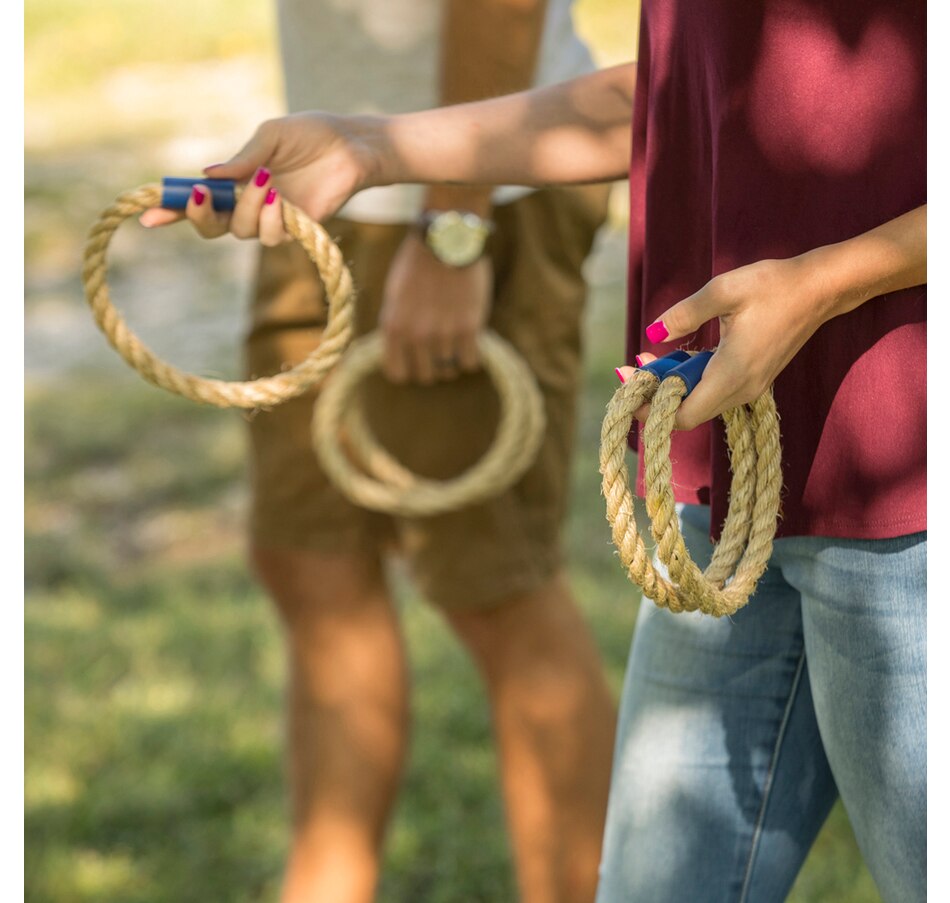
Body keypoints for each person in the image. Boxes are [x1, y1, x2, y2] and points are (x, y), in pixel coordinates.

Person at [143, 1, 927, 900]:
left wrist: (824, 284)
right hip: (727, 485)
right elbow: (673, 100)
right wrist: (368, 147)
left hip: (905, 488)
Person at [146, 3, 617, 902]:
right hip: (316, 176)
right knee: (309, 556)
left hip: (476, 190)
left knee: (493, 583)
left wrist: (455, 229)